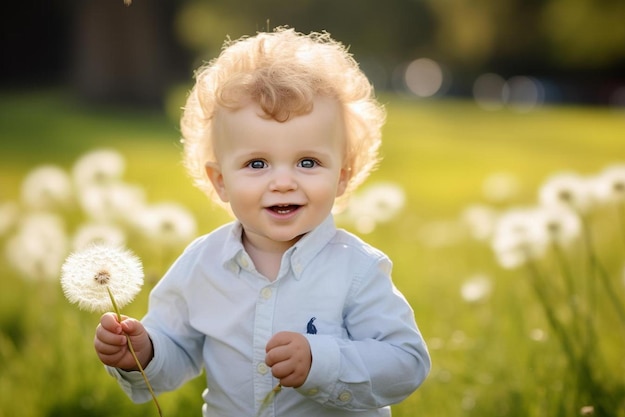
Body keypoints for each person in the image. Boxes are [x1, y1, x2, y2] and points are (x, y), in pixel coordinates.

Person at [94, 27, 430, 417]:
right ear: (221, 181)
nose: (283, 181)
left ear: (342, 175)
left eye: (308, 162)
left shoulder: (357, 269)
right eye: (257, 163)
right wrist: (143, 352)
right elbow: (176, 349)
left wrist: (321, 362)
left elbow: (407, 363)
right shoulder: (202, 265)